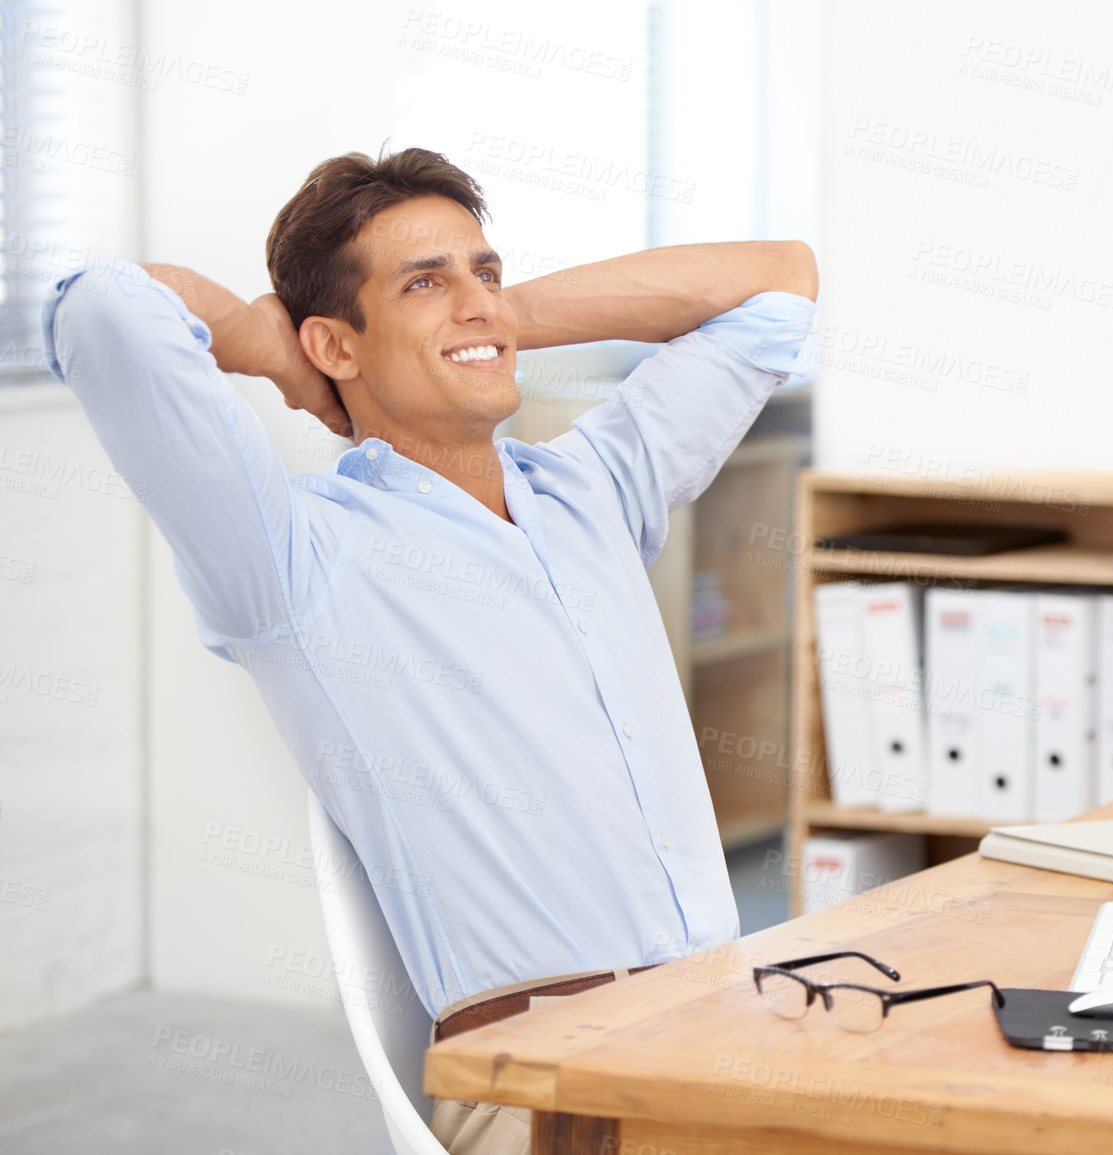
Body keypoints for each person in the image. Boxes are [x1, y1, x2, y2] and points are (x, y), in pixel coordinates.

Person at [43, 145, 818, 1154]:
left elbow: (780, 285)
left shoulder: (592, 491)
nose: (474, 299)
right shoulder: (294, 558)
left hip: (719, 1028)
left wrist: (493, 320)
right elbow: (103, 311)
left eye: (482, 270)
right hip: (559, 1082)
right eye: (424, 281)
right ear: (336, 343)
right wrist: (271, 348)